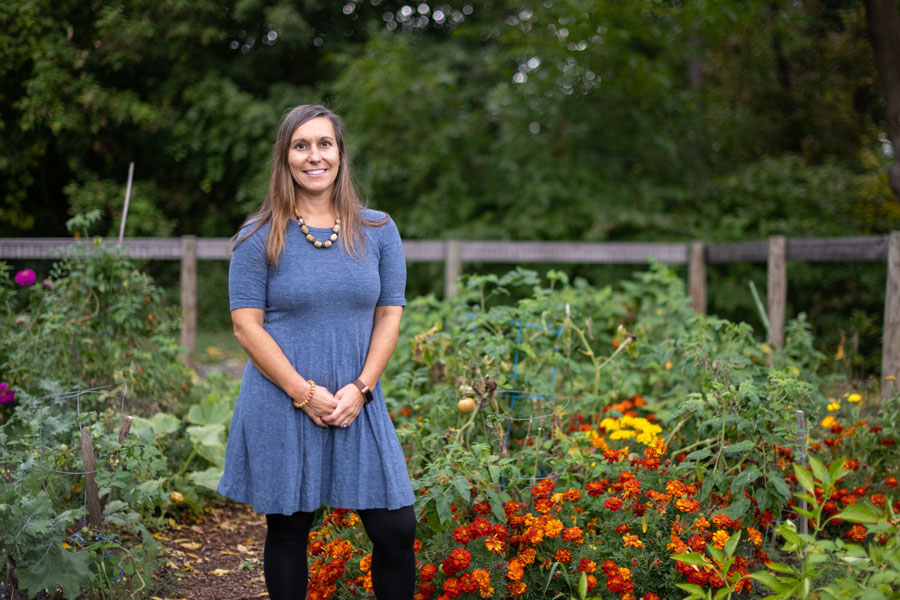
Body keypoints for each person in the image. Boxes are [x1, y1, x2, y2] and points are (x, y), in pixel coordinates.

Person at [218, 104, 416, 600]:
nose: (314, 156)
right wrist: (304, 393)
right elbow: (246, 325)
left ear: (340, 154)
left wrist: (362, 388)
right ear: (285, 158)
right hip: (284, 400)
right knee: (288, 533)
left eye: (324, 143)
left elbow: (390, 313)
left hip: (357, 400)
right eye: (301, 145)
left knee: (396, 529)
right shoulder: (257, 236)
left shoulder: (377, 230)